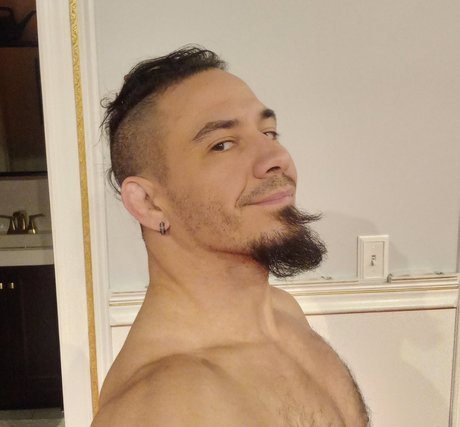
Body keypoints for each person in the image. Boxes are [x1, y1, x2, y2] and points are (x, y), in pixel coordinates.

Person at [92, 46, 369, 426]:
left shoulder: (283, 313)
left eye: (269, 132)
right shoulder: (158, 406)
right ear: (148, 203)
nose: (276, 158)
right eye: (221, 144)